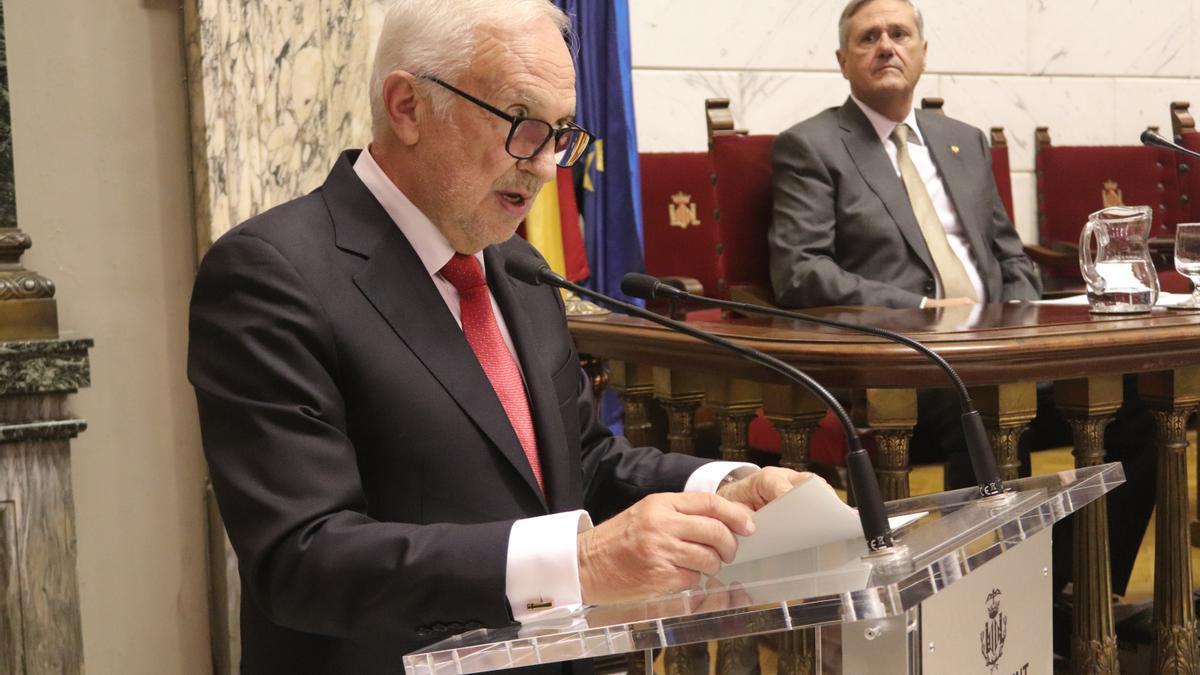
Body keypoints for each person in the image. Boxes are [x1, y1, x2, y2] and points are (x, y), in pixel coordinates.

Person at [187, 1, 809, 673]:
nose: (544, 166)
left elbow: (581, 466)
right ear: (407, 106)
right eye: (521, 125)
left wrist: (724, 488)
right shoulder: (273, 273)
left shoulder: (515, 265)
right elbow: (303, 557)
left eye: (560, 133)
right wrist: (582, 561)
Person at [766, 0, 1156, 648]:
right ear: (843, 60)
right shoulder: (811, 145)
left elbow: (1006, 254)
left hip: (1004, 350)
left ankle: (1071, 592)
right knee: (984, 409)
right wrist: (923, 310)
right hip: (907, 367)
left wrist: (1024, 324)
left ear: (922, 50)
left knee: (1139, 404)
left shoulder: (963, 140)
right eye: (868, 37)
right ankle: (984, 617)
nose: (886, 45)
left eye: (900, 33)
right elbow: (801, 273)